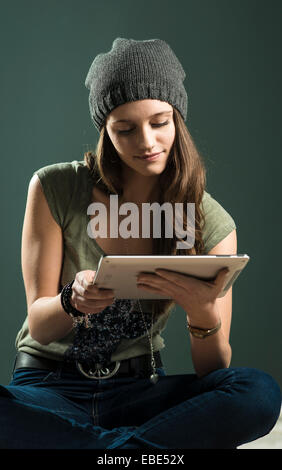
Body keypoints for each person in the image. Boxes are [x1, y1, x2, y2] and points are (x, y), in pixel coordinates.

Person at [0, 37, 280, 449]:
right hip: (48, 386)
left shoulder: (210, 221)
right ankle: (139, 451)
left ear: (178, 118)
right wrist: (71, 299)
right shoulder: (54, 186)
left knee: (257, 392)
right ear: (105, 131)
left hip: (142, 389)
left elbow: (214, 370)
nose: (146, 142)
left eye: (159, 122)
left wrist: (202, 310)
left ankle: (106, 451)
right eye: (125, 129)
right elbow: (40, 326)